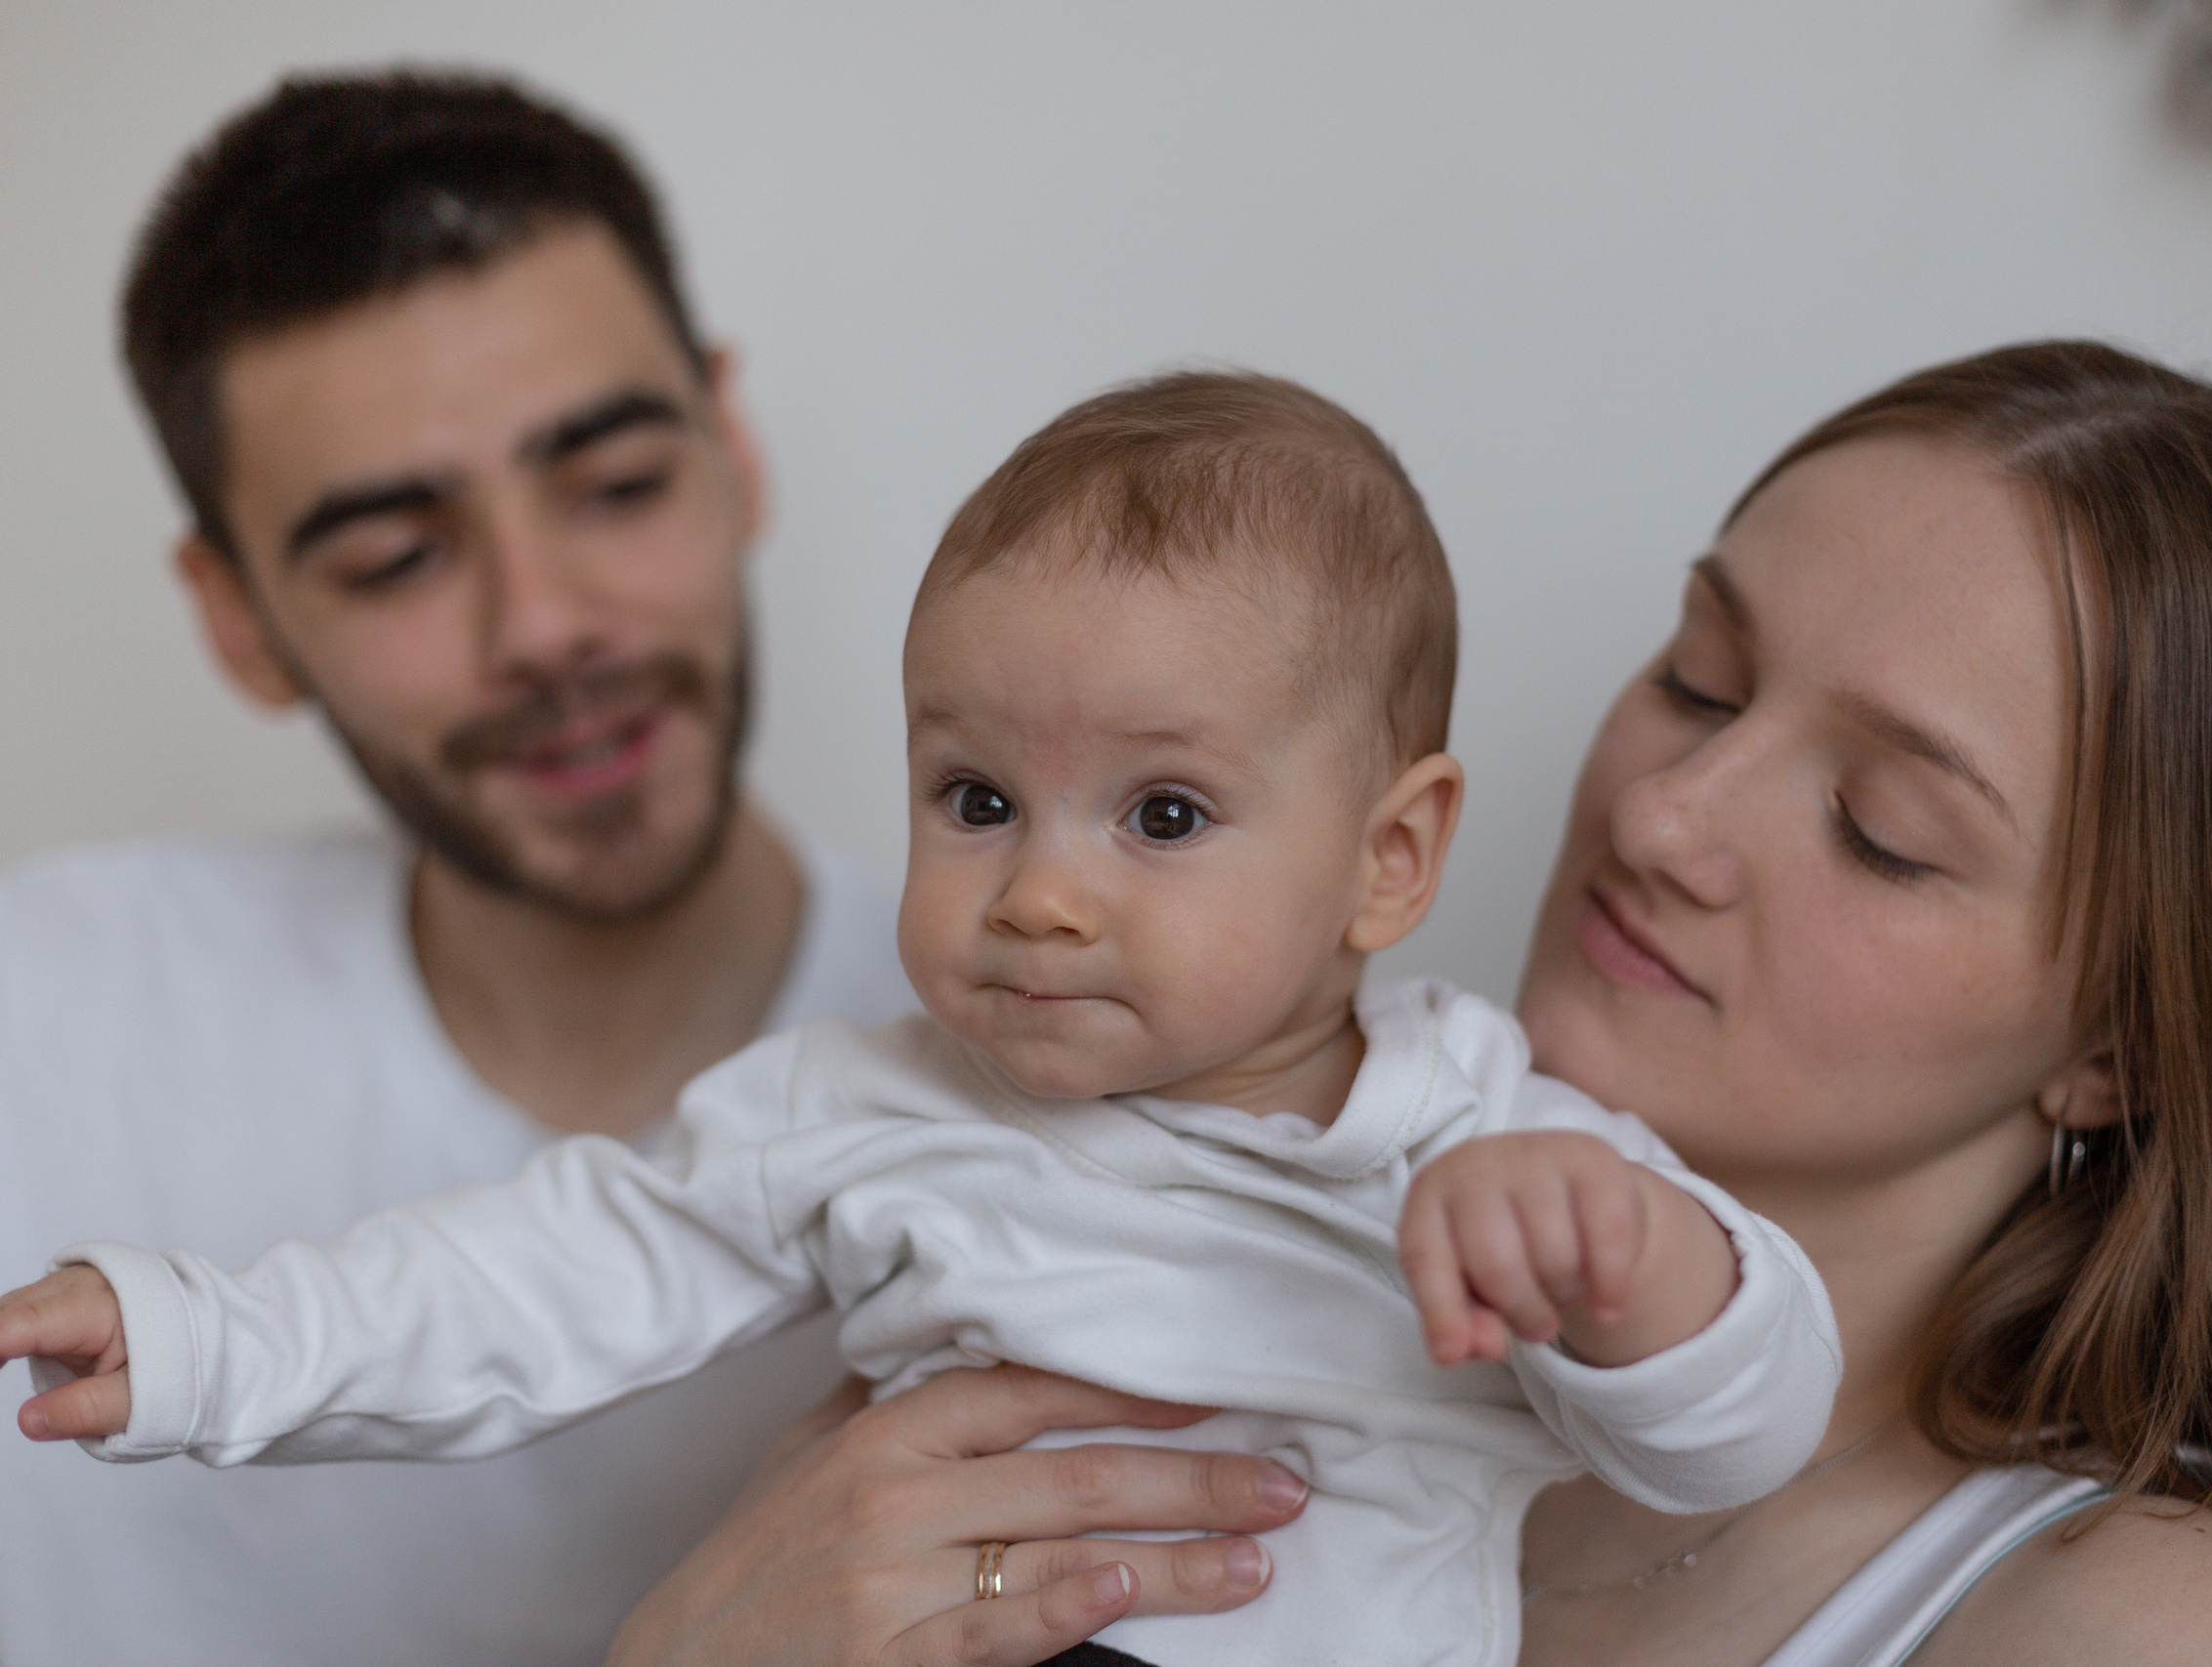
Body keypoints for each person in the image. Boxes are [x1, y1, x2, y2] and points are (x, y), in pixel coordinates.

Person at [597, 341, 2212, 1667]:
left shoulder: (2139, 1627)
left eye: (1879, 827)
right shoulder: (1127, 1306)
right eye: (1694, 674)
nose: (1660, 813)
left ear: (2125, 1038)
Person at [3, 371, 1843, 1667]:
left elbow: (1739, 1439)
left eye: (1164, 817)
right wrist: (204, 1344)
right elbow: (515, 1287)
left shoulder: (1484, 1138)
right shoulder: (852, 1109)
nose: (1039, 891)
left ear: (1387, 860)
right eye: (974, 800)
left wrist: (1636, 1287)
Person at [0, 71, 923, 1667]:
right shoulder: (42, 1028)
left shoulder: (1093, 1088)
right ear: (237, 617)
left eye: (619, 484)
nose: (547, 623)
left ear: (733, 448)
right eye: (396, 557)